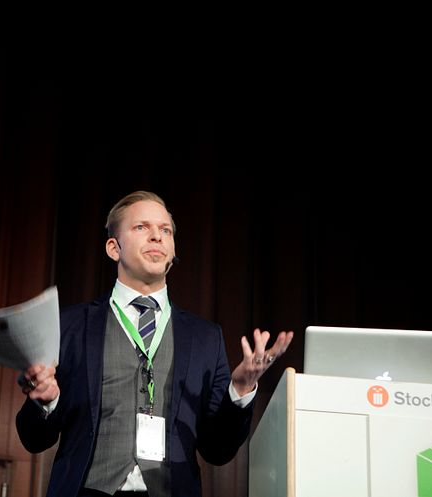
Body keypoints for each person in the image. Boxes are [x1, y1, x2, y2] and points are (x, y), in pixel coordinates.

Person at [16, 191, 293, 497]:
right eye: (141, 228)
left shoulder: (205, 337)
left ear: (173, 251)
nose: (157, 237)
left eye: (165, 231)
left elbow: (217, 450)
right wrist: (45, 403)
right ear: (113, 247)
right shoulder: (70, 326)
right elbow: (34, 440)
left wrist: (240, 390)